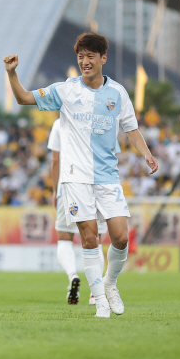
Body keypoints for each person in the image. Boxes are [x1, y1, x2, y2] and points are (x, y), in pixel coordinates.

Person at [4, 32, 158, 318]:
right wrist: (12, 74)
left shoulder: (118, 93)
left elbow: (131, 129)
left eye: (90, 57)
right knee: (88, 238)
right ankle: (99, 301)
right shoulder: (66, 90)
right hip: (75, 178)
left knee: (121, 238)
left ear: (103, 58)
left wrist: (146, 153)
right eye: (80, 57)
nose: (85, 62)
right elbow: (24, 97)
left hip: (107, 177)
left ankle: (110, 284)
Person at [47, 117, 106, 305]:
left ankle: (73, 276)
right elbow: (109, 156)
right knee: (95, 241)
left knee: (64, 238)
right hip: (96, 185)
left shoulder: (59, 124)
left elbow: (55, 161)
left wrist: (56, 190)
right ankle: (95, 293)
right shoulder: (100, 120)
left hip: (68, 185)